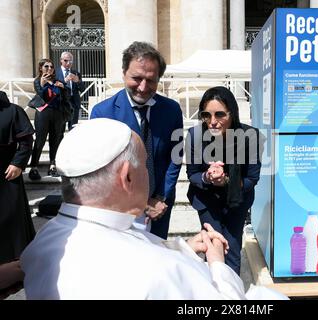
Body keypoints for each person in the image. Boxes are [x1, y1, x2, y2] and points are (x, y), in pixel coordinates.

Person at [20, 118, 287, 300]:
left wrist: (183, 247)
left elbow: (121, 245)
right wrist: (217, 262)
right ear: (127, 177)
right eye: (145, 165)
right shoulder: (158, 271)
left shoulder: (45, 240)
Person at [90, 41, 183, 240]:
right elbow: (102, 168)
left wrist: (160, 197)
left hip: (159, 205)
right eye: (136, 78)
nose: (143, 87)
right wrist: (134, 203)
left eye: (151, 80)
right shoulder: (102, 113)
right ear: (124, 73)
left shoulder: (172, 110)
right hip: (119, 209)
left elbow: (175, 156)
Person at [186, 86, 264, 275]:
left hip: (237, 201)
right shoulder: (194, 135)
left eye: (220, 115)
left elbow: (252, 178)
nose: (213, 122)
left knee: (233, 248)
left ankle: (232, 295)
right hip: (206, 199)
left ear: (232, 113)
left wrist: (227, 181)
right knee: (213, 245)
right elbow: (193, 173)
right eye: (206, 115)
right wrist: (208, 177)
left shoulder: (251, 136)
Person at [0, 91, 35, 288]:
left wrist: (18, 163)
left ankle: (16, 265)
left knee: (11, 221)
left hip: (7, 175)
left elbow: (25, 141)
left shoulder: (13, 111)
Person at [28, 58, 71, 180]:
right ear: (41, 68)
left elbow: (67, 97)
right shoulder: (38, 81)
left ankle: (53, 165)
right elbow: (42, 95)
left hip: (57, 114)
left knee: (55, 140)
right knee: (40, 140)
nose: (49, 69)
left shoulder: (58, 80)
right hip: (43, 113)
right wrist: (42, 83)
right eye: (46, 67)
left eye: (51, 67)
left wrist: (63, 87)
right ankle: (34, 167)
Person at [55, 52, 85, 131]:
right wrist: (64, 81)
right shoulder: (55, 73)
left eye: (70, 61)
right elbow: (53, 87)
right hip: (61, 102)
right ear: (61, 60)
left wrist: (78, 81)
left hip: (74, 102)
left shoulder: (76, 73)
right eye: (66, 61)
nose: (68, 63)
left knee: (73, 129)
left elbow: (82, 89)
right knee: (60, 129)